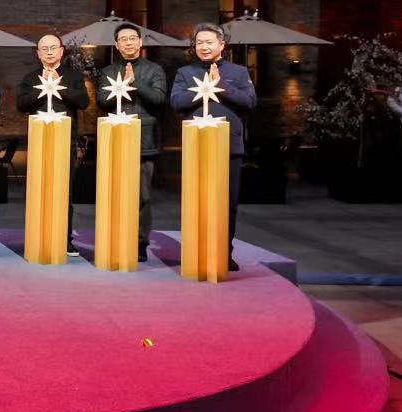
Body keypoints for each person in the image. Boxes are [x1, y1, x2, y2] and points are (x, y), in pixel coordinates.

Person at [170, 22, 259, 270]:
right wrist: (203, 90)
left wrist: (222, 86)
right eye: (199, 43)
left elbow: (250, 102)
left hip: (229, 146)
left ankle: (223, 253)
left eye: (209, 42)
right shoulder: (185, 72)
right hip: (196, 146)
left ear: (222, 45)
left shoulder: (238, 72)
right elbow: (176, 102)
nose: (204, 47)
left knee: (227, 203)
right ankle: (194, 251)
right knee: (196, 201)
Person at [95, 22, 170, 261]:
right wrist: (121, 86)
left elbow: (158, 99)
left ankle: (140, 242)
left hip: (143, 141)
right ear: (117, 45)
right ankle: (114, 238)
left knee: (142, 196)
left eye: (132, 38)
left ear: (140, 42)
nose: (128, 43)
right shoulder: (107, 71)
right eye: (123, 39)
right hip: (114, 139)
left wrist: (134, 82)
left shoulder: (154, 69)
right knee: (113, 193)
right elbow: (101, 101)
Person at [16, 32, 89, 127]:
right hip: (38, 130)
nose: (49, 52)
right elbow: (21, 106)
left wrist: (60, 82)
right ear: (39, 54)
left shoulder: (74, 75)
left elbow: (83, 103)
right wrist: (41, 88)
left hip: (66, 130)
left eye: (53, 48)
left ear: (61, 51)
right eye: (45, 49)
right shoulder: (29, 77)